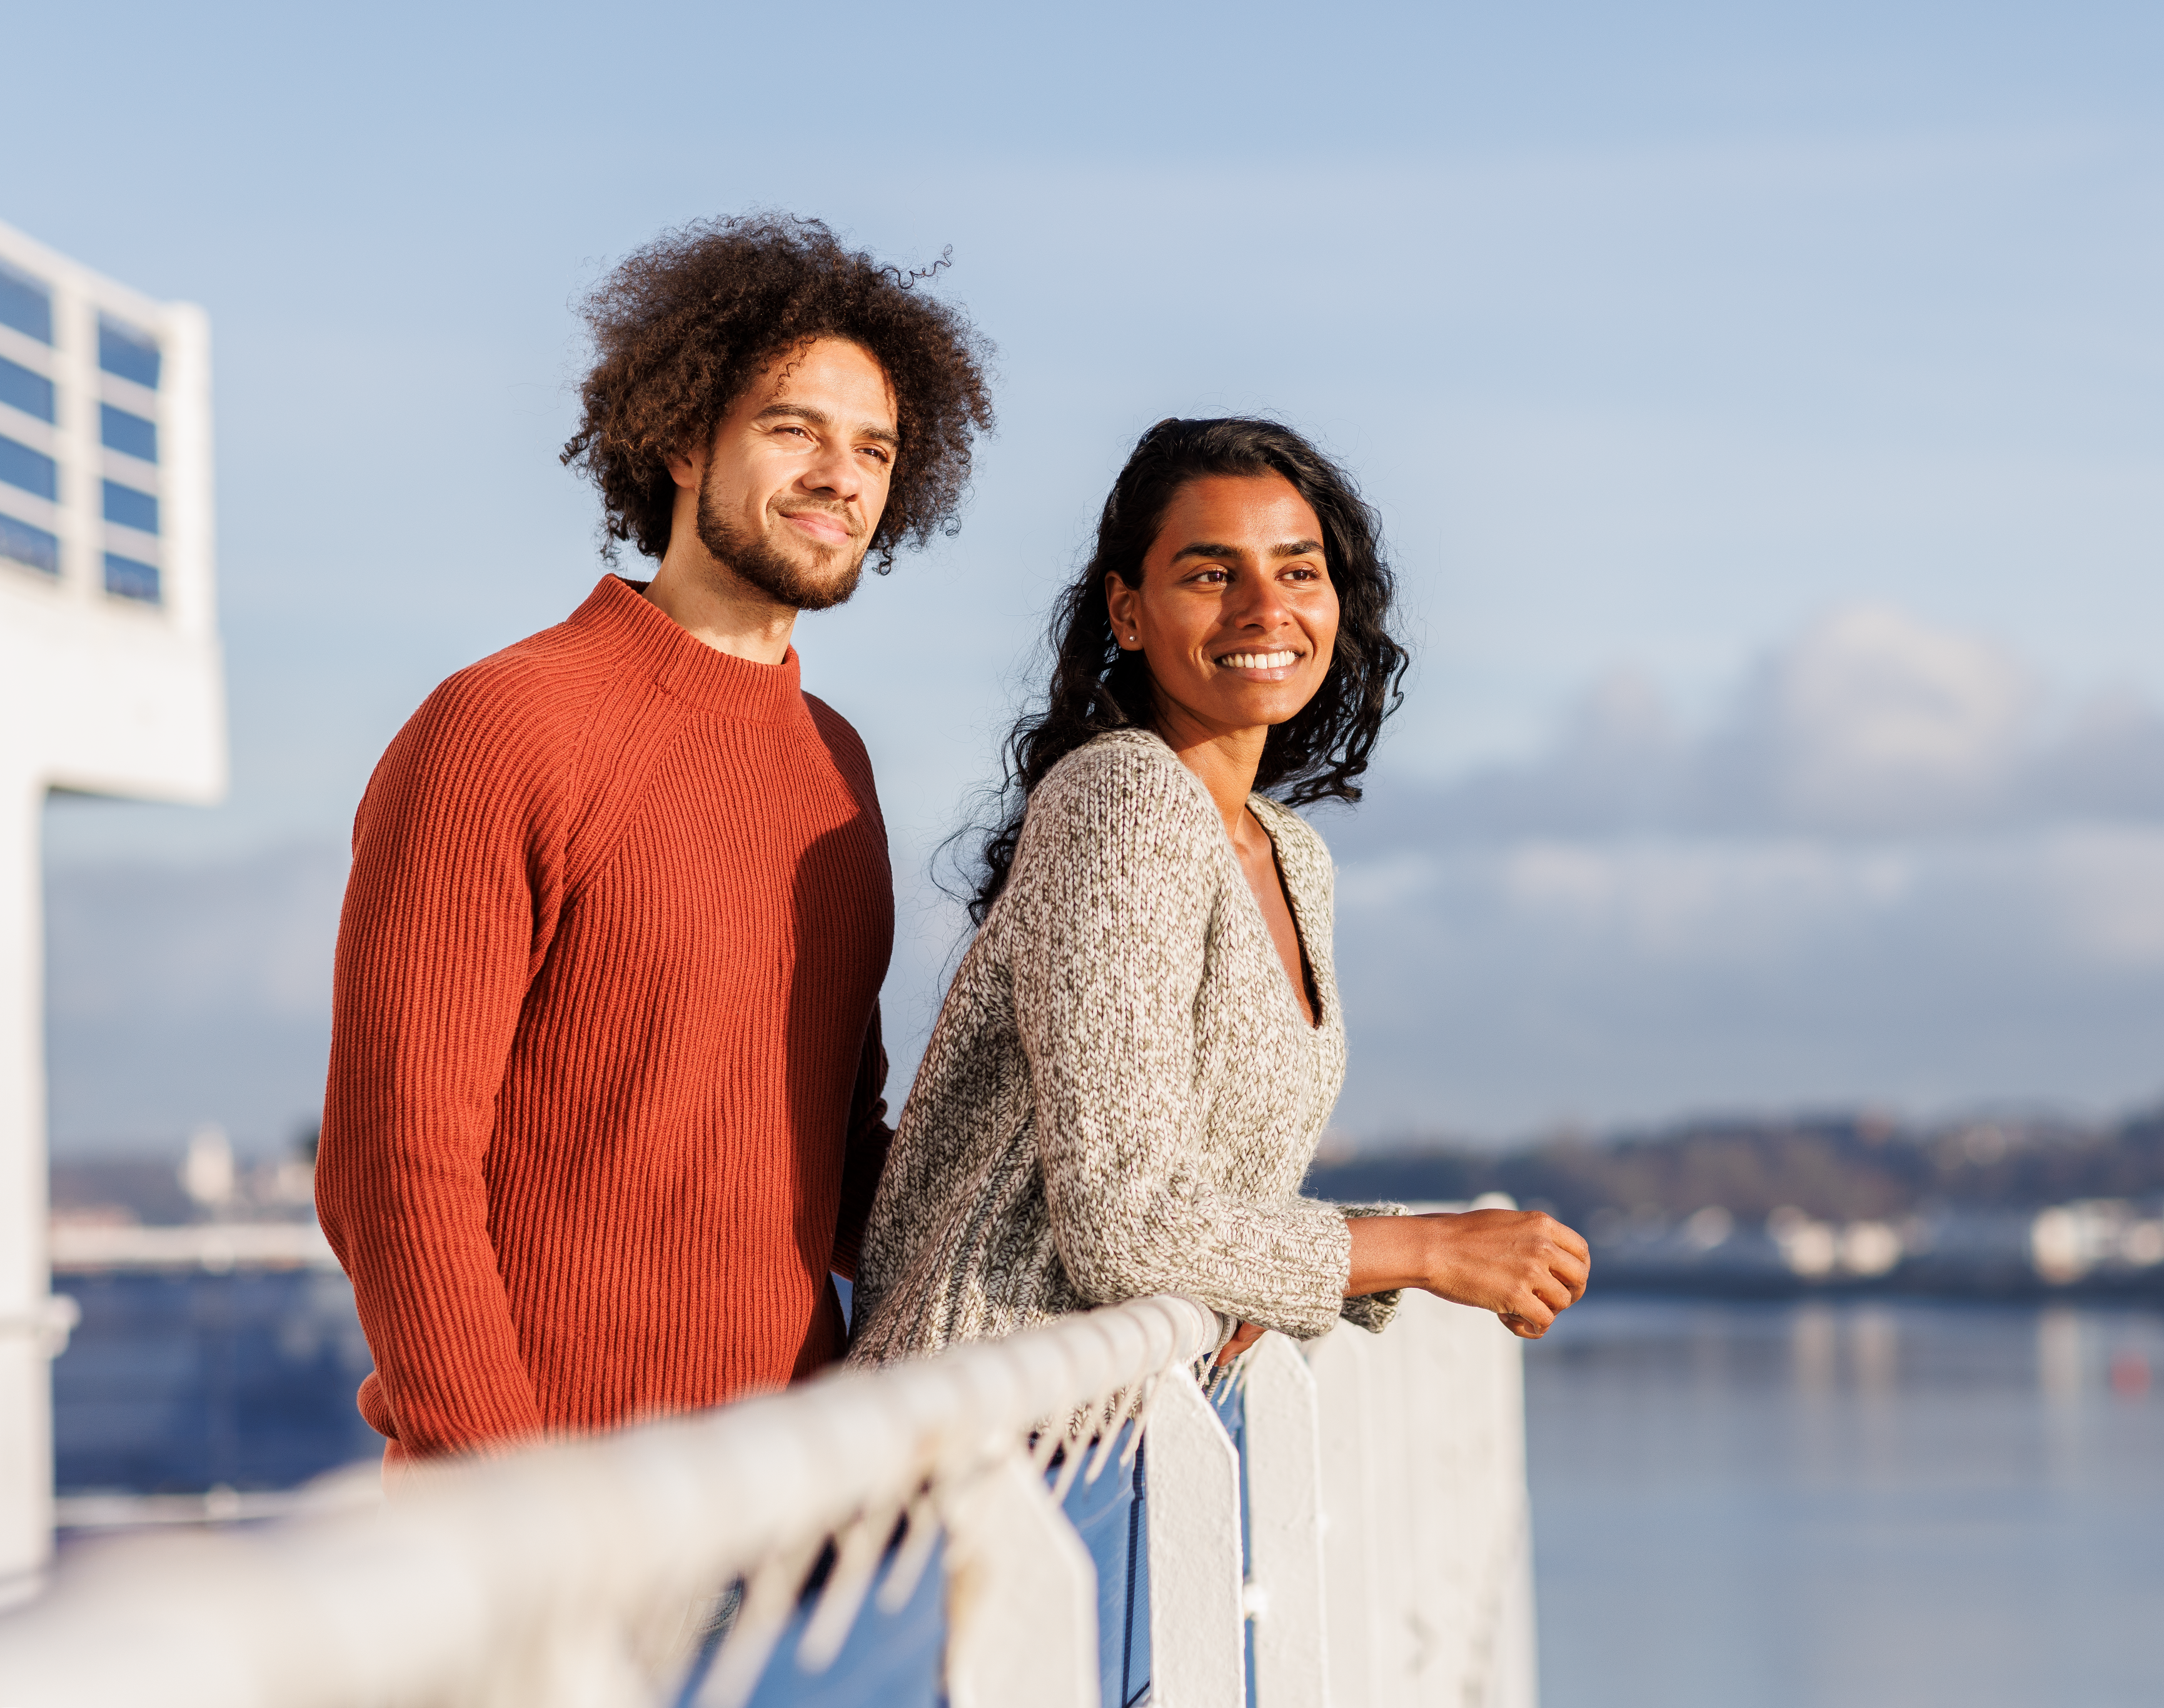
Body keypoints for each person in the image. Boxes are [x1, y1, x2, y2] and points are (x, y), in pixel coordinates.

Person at [315, 214, 994, 1465]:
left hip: (796, 1508)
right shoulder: (504, 724)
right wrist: (517, 1505)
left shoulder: (836, 769)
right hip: (562, 1536)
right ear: (683, 437)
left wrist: (1146, 1243)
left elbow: (839, 1171)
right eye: (794, 428)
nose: (841, 475)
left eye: (875, 449)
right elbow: (393, 1164)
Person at [851, 416, 1589, 1371]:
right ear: (1127, 613)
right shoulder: (1123, 796)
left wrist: (1312, 1271)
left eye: (1297, 569)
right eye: (1211, 574)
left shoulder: (1290, 853)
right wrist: (1430, 1249)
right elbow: (1127, 1226)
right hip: (987, 1437)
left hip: (1131, 1437)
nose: (1263, 608)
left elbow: (1196, 1202)